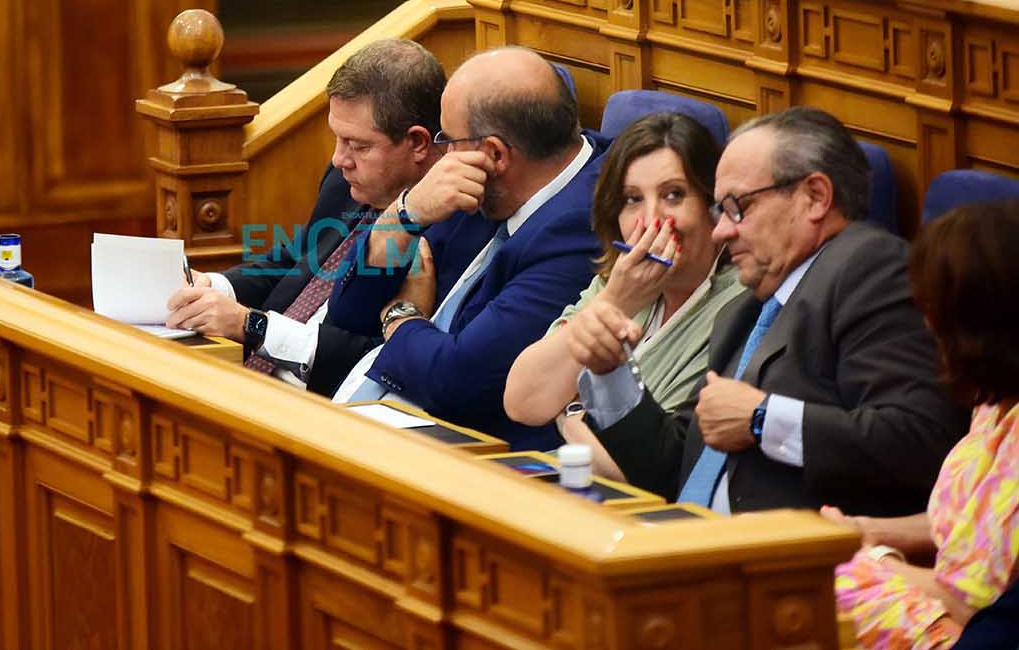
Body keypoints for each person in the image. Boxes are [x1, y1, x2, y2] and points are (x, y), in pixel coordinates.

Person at [567, 106, 967, 514]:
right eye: (721, 211)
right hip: (688, 537)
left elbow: (921, 441)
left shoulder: (871, 268)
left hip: (791, 547)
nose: (722, 230)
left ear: (815, 197)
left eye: (738, 207)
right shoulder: (744, 314)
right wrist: (610, 371)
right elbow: (670, 472)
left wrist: (763, 420)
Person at [327, 47, 606, 449]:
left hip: (471, 452)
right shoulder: (476, 184)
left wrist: (400, 317)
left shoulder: (580, 230)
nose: (442, 157)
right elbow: (348, 313)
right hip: (387, 411)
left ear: (494, 154)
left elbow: (459, 380)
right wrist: (405, 214)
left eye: (449, 140)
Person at [165, 38, 444, 395]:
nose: (339, 159)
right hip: (252, 379)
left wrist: (253, 326)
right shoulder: (345, 182)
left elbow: (381, 358)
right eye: (338, 139)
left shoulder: (448, 228)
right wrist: (212, 287)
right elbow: (295, 261)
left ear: (418, 143)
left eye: (358, 145)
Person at [502, 112, 745, 480]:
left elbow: (636, 467)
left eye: (673, 195)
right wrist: (618, 300)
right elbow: (523, 402)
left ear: (713, 206)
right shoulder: (621, 282)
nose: (651, 220)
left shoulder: (739, 304)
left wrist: (570, 413)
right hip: (564, 479)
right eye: (632, 199)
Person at [828, 201, 1019, 650]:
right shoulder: (994, 401)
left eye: (931, 305)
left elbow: (975, 606)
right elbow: (962, 526)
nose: (926, 322)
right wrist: (867, 531)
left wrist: (875, 559)